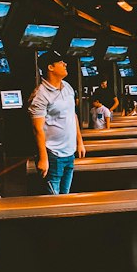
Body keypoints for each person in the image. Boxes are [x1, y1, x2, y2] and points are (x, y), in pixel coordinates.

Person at [28, 50, 85, 194]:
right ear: (50, 67)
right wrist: (43, 158)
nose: (65, 64)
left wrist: (80, 142)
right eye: (60, 62)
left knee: (64, 199)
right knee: (53, 201)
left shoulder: (68, 87)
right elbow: (37, 129)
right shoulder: (40, 95)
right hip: (53, 155)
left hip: (69, 152)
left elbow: (73, 115)